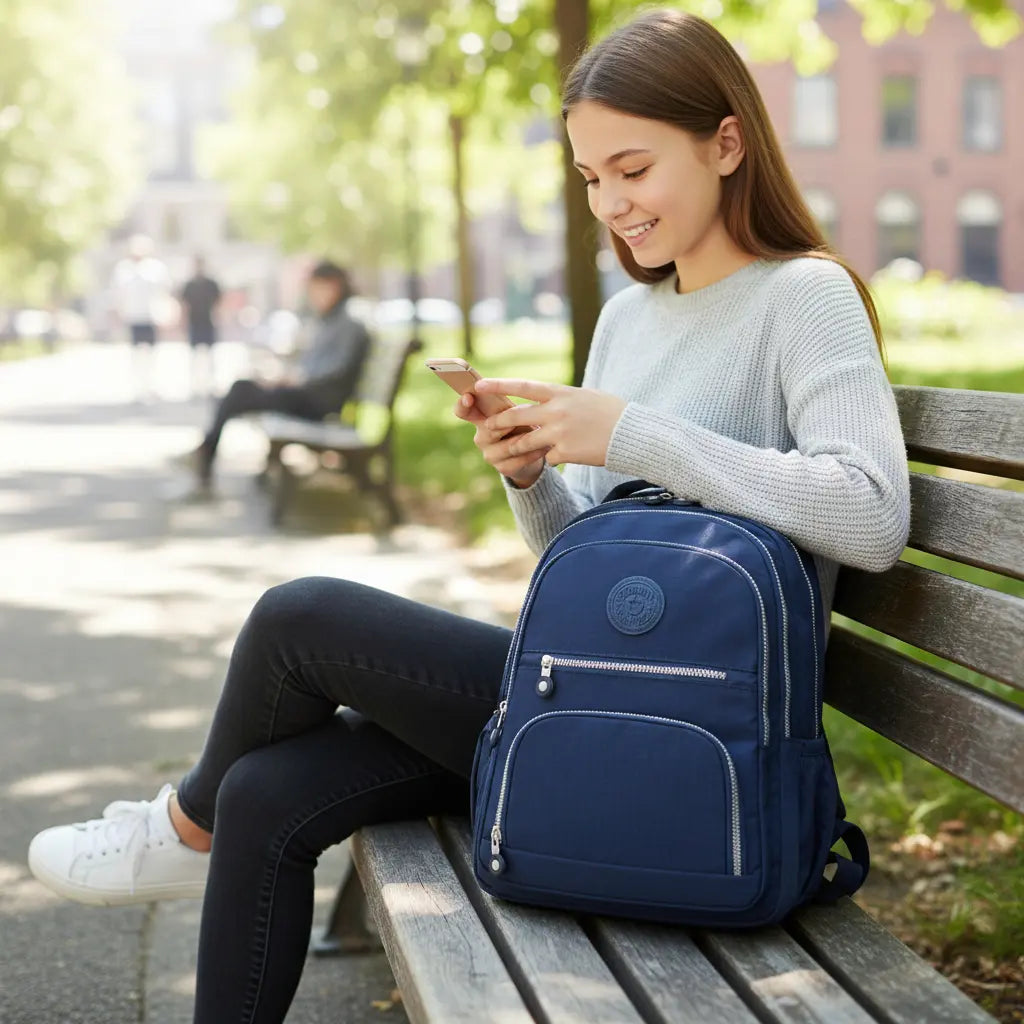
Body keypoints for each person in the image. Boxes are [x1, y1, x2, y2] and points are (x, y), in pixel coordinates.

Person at [26, 11, 911, 1023]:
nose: (611, 204)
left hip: (696, 736)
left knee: (300, 613)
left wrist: (631, 433)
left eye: (632, 168)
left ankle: (179, 830)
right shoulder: (628, 316)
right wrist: (532, 474)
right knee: (265, 795)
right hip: (593, 686)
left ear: (725, 142)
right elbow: (575, 561)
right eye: (588, 178)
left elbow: (873, 515)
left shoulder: (804, 298)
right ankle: (206, 821)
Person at [180, 259, 370, 488]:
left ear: (334, 285)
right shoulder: (332, 319)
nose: (312, 297)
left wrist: (296, 380)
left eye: (316, 289)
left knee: (240, 391)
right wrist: (286, 378)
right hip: (307, 395)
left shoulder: (348, 322)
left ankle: (204, 455)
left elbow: (336, 369)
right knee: (242, 386)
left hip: (317, 403)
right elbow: (315, 365)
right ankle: (205, 454)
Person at [111, 234, 172, 401]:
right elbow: (118, 295)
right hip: (133, 317)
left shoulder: (155, 268)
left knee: (151, 353)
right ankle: (138, 387)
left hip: (151, 317)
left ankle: (150, 385)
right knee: (136, 354)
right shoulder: (123, 269)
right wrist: (118, 315)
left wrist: (166, 314)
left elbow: (164, 292)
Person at [180, 256, 222, 398]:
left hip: (208, 322)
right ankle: (195, 385)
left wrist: (219, 318)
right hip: (194, 323)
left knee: (210, 356)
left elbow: (219, 303)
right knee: (194, 357)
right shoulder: (189, 285)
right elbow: (184, 305)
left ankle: (211, 384)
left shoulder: (211, 284)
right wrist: (183, 323)